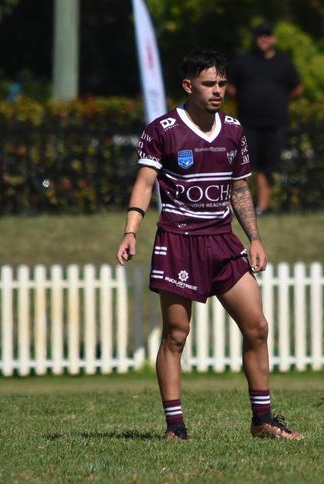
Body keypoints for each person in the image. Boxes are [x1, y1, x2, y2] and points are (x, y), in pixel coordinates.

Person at [116, 48, 303, 441]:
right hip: (178, 241)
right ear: (188, 86)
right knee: (176, 335)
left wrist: (254, 238)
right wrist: (131, 229)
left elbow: (239, 189)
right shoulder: (163, 129)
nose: (217, 90)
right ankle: (175, 426)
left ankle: (263, 420)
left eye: (221, 83)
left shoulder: (234, 130)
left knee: (257, 327)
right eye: (208, 84)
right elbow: (145, 183)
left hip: (223, 241)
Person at [227, 22, 303, 215]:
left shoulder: (284, 63)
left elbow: (298, 87)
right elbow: (229, 85)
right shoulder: (243, 61)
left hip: (275, 123)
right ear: (255, 38)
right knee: (244, 166)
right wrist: (242, 98)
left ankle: (263, 206)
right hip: (248, 123)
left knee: (267, 167)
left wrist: (282, 99)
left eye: (267, 35)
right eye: (260, 35)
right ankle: (241, 205)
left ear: (273, 38)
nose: (264, 38)